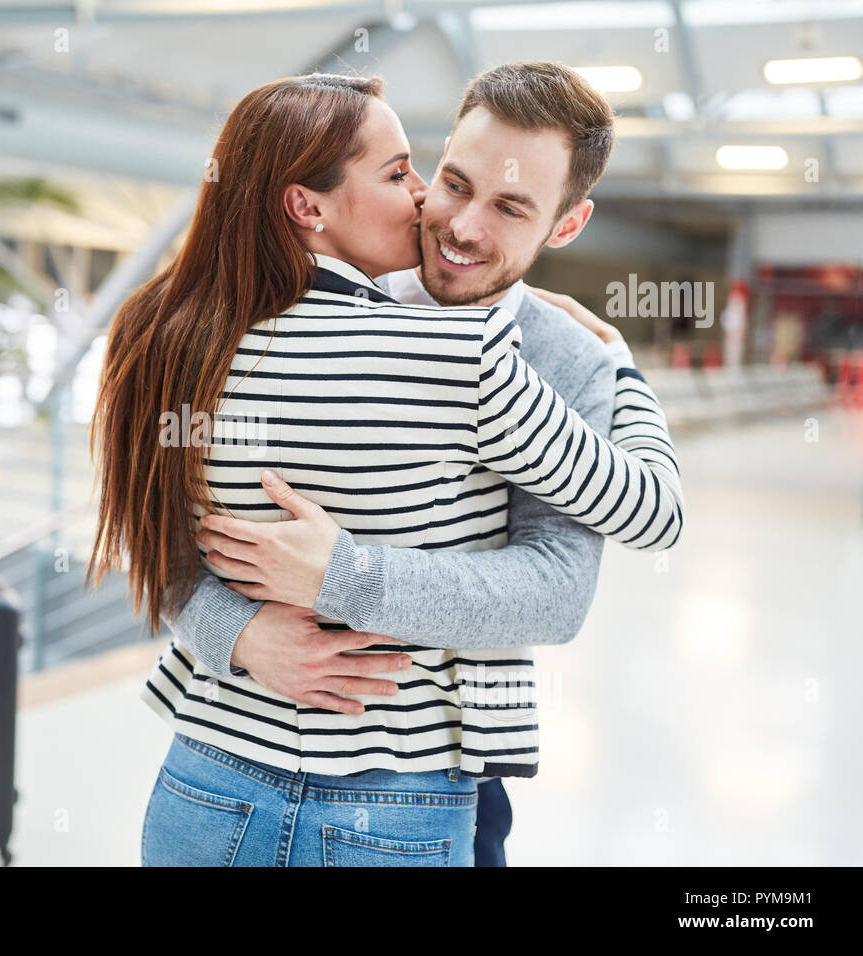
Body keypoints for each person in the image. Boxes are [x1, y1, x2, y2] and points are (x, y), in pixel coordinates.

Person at [89, 71, 682, 867]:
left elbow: (556, 590)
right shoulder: (271, 312)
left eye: (510, 208)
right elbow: (164, 536)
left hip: (449, 750)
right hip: (295, 761)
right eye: (448, 182)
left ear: (568, 223)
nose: (459, 226)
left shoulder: (563, 359)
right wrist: (242, 633)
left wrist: (618, 367)